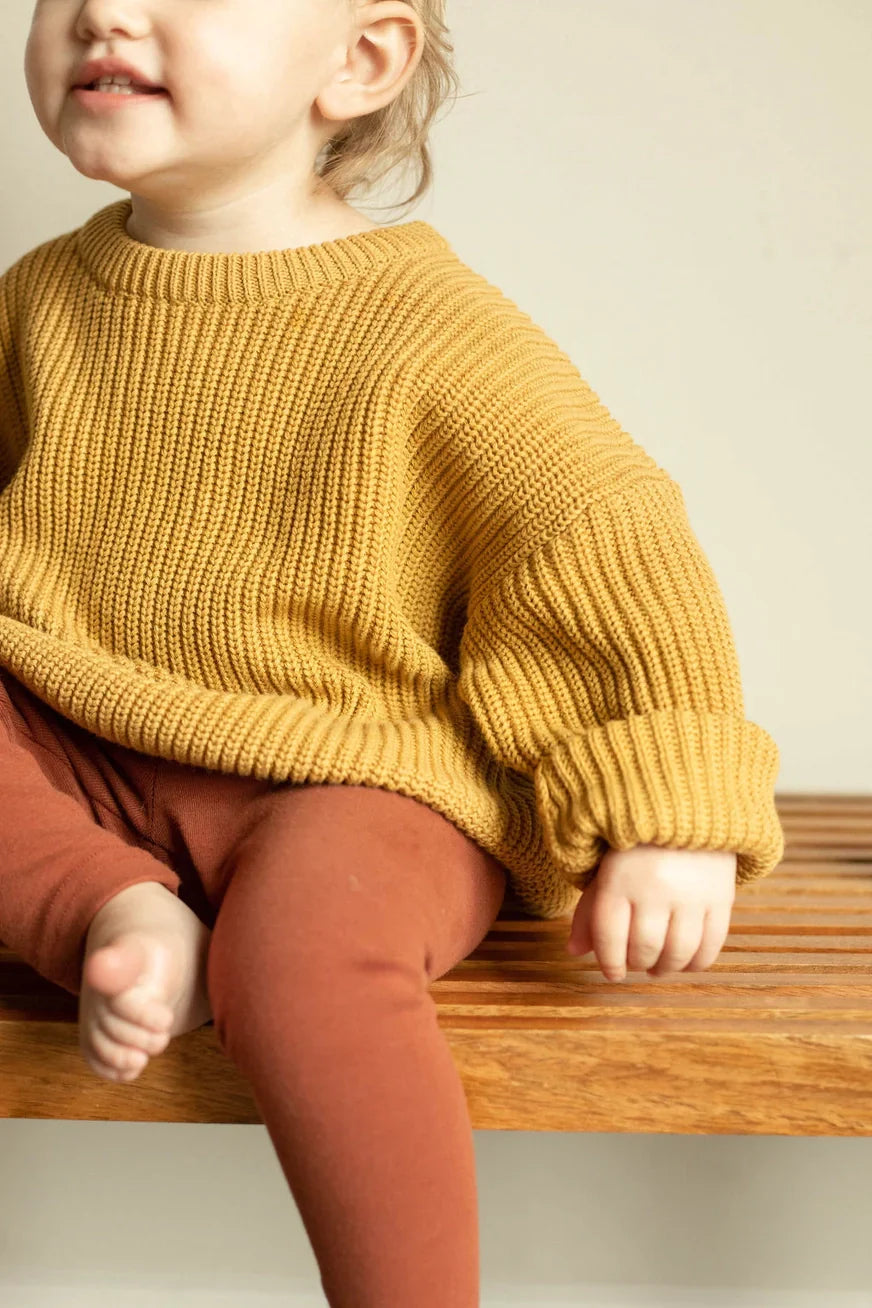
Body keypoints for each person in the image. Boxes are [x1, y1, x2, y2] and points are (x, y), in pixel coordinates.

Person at [0, 1, 785, 1304]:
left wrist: (669, 808)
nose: (105, 11)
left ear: (360, 61)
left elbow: (596, 535)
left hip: (359, 781)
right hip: (87, 751)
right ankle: (112, 907)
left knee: (308, 948)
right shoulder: (40, 301)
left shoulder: (426, 326)